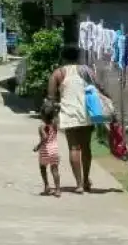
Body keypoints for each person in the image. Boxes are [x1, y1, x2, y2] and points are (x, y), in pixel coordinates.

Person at [44, 45, 97, 193]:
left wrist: (50, 118)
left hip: (68, 113)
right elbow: (96, 88)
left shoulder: (58, 73)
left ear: (63, 57)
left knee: (74, 147)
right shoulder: (87, 71)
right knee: (86, 147)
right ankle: (86, 180)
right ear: (78, 57)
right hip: (86, 112)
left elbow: (51, 98)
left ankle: (79, 184)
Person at [33, 115, 61, 196]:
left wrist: (37, 146)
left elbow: (44, 137)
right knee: (55, 170)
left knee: (42, 168)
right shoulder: (55, 124)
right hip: (54, 150)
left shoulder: (42, 126)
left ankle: (46, 186)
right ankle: (58, 190)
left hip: (45, 150)